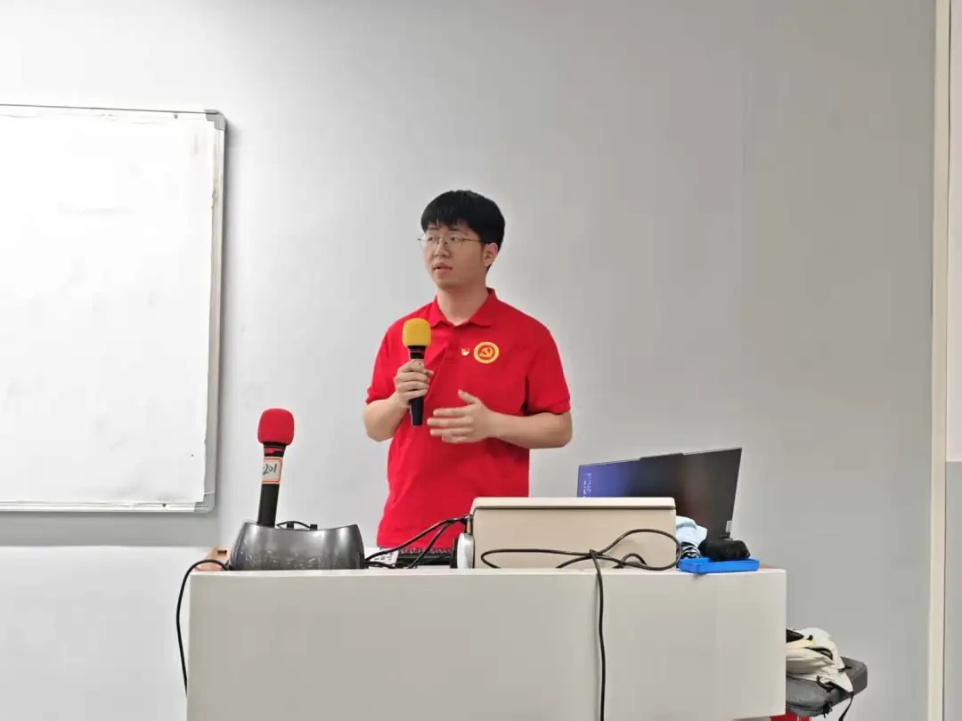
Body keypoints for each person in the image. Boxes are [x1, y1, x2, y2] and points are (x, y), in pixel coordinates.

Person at [363, 189, 573, 549]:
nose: (439, 249)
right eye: (431, 237)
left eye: (455, 238)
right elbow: (374, 427)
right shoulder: (404, 332)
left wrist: (493, 424)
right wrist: (398, 399)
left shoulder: (528, 336)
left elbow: (560, 429)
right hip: (406, 533)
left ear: (489, 253)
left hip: (493, 538)